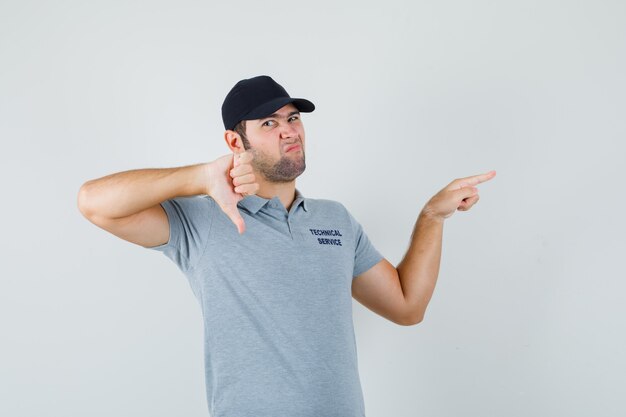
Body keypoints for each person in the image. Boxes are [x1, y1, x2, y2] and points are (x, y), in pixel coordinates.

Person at [77, 75, 496, 417]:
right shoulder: (201, 220)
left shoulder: (335, 220)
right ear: (234, 142)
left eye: (293, 118)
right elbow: (94, 204)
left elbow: (407, 307)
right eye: (269, 124)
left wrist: (433, 217)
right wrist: (199, 177)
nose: (290, 132)